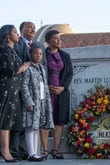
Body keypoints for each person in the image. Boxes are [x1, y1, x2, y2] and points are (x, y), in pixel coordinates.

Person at [10, 21, 47, 160]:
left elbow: (44, 67)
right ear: (21, 30)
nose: (33, 29)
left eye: (34, 27)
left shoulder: (39, 45)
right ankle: (14, 151)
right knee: (18, 122)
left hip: (37, 91)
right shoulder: (17, 44)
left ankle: (28, 151)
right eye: (29, 27)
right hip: (19, 87)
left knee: (32, 123)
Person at [40, 30, 73, 159]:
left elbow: (69, 73)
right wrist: (46, 87)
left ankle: (55, 150)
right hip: (46, 92)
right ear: (48, 41)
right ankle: (44, 151)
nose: (58, 41)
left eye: (59, 38)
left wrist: (62, 87)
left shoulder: (65, 56)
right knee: (44, 120)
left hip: (61, 93)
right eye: (55, 38)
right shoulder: (42, 55)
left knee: (59, 121)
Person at [0, 25, 30, 162]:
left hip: (14, 90)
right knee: (5, 119)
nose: (18, 35)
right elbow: (11, 70)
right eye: (15, 32)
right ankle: (5, 151)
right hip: (6, 88)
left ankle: (10, 150)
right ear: (7, 35)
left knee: (13, 120)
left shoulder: (13, 51)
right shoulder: (4, 50)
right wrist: (23, 67)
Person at [20, 44, 54, 161]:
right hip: (32, 102)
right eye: (35, 53)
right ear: (30, 55)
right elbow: (24, 86)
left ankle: (35, 152)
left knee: (37, 127)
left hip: (41, 102)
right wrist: (28, 102)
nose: (38, 56)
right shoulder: (28, 69)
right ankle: (31, 153)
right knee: (30, 127)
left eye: (40, 54)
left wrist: (46, 101)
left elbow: (44, 86)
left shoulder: (42, 69)